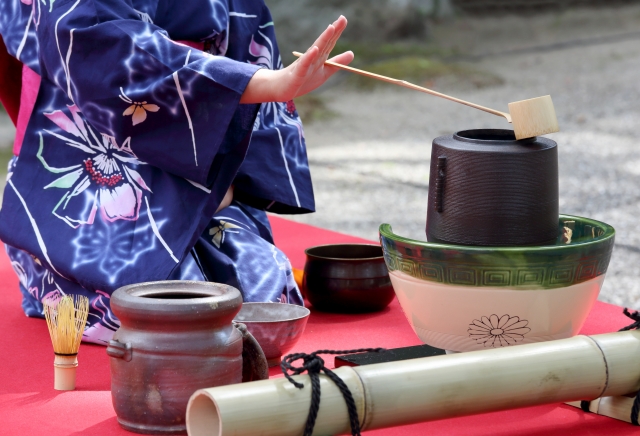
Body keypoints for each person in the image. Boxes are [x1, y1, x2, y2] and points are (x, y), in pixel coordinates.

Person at [0, 0, 353, 344]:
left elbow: (242, 21)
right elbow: (91, 36)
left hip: (193, 142)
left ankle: (212, 202)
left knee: (262, 294)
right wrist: (262, 83)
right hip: (91, 142)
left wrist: (229, 161)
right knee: (169, 311)